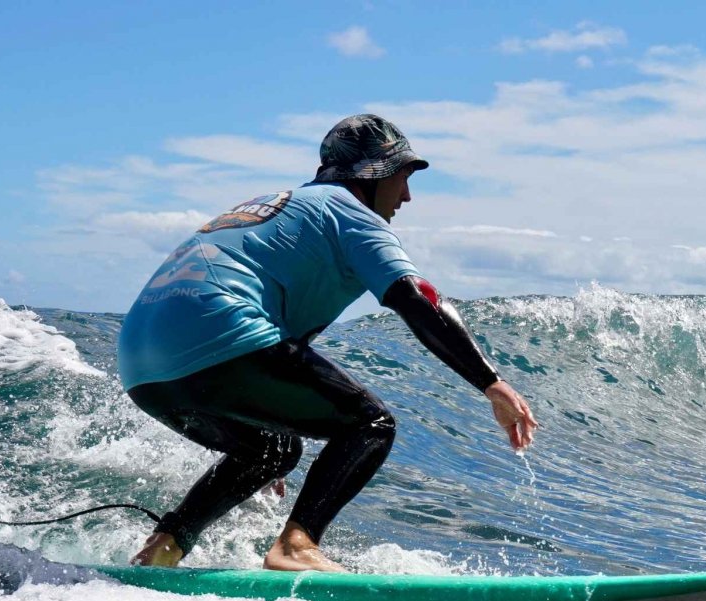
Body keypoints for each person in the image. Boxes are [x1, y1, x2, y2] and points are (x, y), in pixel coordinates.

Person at [117, 114, 537, 572]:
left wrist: (269, 426)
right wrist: (491, 383)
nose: (407, 196)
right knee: (369, 424)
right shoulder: (347, 212)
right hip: (221, 331)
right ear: (371, 175)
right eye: (401, 178)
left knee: (272, 450)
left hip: (142, 365)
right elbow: (417, 298)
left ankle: (163, 548)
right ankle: (296, 545)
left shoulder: (276, 206)